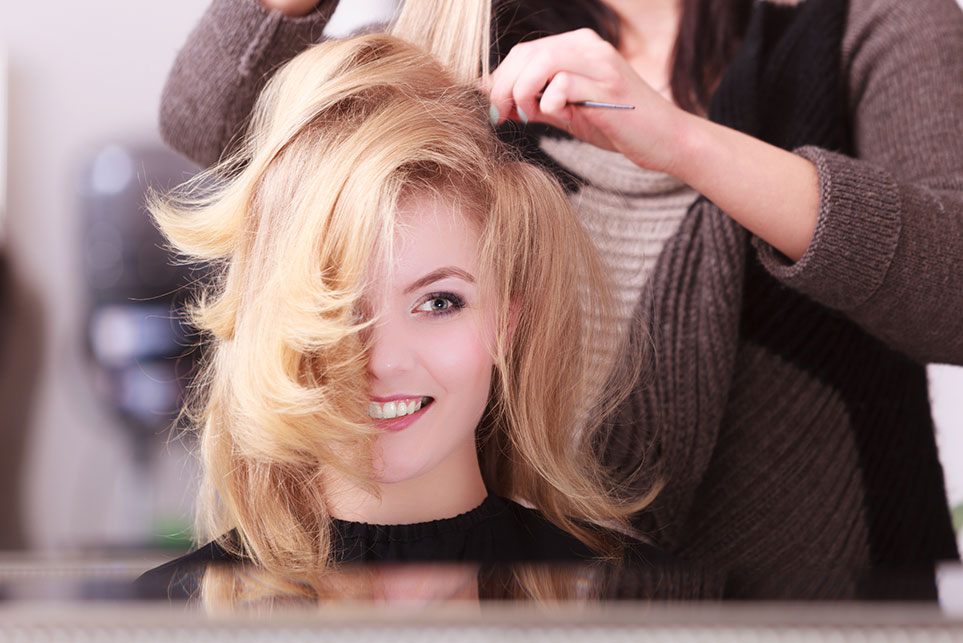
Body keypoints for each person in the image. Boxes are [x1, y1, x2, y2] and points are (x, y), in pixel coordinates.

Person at [158, 0, 963, 597]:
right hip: (522, 589)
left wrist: (680, 140)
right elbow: (212, 118)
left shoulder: (863, 18)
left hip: (819, 589)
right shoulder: (467, 35)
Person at [140, 16, 671, 598]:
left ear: (508, 319)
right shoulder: (156, 616)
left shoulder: (643, 605)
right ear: (273, 321)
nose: (384, 361)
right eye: (335, 303)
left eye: (439, 301)